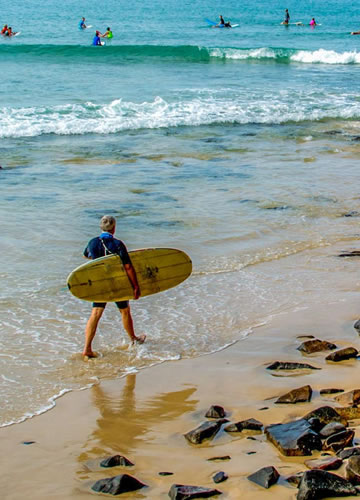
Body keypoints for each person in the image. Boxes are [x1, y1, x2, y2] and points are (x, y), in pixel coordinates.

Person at [82, 215, 145, 358]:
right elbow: (128, 267)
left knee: (96, 313)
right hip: (117, 283)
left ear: (101, 227)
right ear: (114, 228)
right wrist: (135, 286)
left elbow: (86, 256)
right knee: (125, 311)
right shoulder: (117, 244)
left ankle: (87, 348)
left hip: (100, 283)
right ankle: (133, 339)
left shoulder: (92, 242)